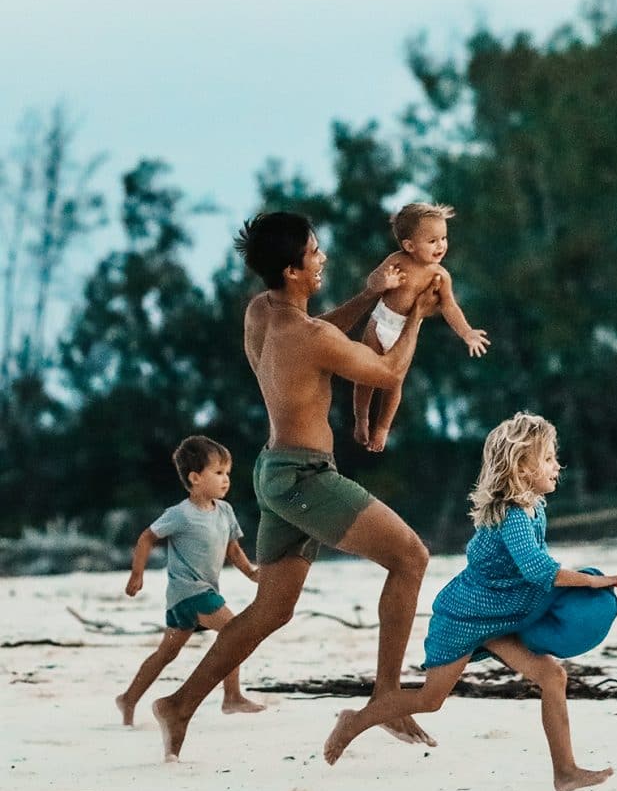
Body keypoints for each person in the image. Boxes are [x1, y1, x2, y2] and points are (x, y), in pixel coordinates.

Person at [152, 212, 443, 760]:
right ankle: (386, 697)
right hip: (306, 476)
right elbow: (387, 374)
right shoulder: (307, 336)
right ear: (292, 269)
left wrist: (368, 295)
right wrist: (419, 315)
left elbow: (322, 334)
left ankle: (179, 704)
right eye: (314, 252)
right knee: (410, 558)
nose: (322, 257)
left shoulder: (263, 311)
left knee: (271, 610)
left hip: (274, 471)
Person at [324, 412, 617, 791]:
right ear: (521, 467)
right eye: (547, 458)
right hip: (466, 618)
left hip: (502, 617)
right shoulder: (513, 515)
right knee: (430, 700)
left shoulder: (534, 507)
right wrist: (591, 580)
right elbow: (537, 568)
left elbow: (530, 571)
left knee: (553, 676)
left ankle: (565, 772)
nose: (556, 466)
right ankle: (355, 721)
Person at [116, 435, 263, 726]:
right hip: (190, 593)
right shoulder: (180, 515)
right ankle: (232, 696)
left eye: (227, 474)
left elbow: (233, 549)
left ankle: (128, 698)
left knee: (166, 653)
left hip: (191, 598)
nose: (225, 480)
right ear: (195, 478)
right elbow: (147, 537)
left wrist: (252, 573)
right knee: (235, 630)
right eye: (218, 473)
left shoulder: (225, 511)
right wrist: (137, 574)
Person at [353, 202, 490, 452]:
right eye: (433, 241)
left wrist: (467, 333)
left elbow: (450, 307)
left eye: (444, 238)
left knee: (394, 384)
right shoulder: (397, 260)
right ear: (409, 246)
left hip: (404, 333)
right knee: (365, 375)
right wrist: (384, 281)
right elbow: (371, 281)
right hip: (380, 321)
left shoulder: (440, 276)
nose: (441, 246)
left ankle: (382, 428)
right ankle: (361, 418)